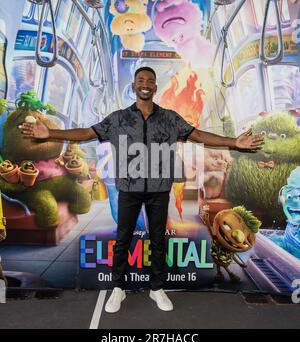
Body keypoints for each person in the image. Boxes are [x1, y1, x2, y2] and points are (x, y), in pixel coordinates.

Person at [21, 66, 264, 313]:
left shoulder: (170, 118)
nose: (145, 84)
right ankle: (118, 288)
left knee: (158, 240)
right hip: (129, 189)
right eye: (140, 80)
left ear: (155, 87)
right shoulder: (118, 119)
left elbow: (199, 135)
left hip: (159, 190)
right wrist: (50, 133)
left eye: (150, 80)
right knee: (123, 239)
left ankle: (156, 289)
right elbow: (85, 133)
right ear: (135, 86)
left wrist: (234, 142)